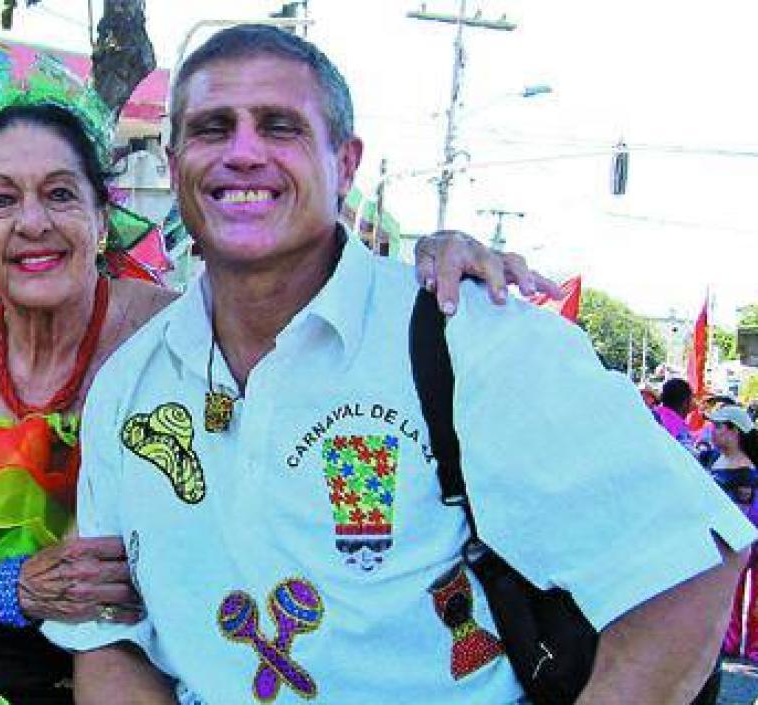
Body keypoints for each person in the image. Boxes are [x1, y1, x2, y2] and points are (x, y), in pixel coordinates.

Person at [0, 58, 538, 705]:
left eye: (61, 194)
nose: (32, 223)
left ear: (105, 212)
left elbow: (309, 303)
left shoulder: (180, 342)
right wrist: (15, 588)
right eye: (0, 200)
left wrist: (442, 257)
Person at [45, 25, 753, 705]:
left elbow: (689, 564)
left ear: (346, 163)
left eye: (280, 126)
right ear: (173, 165)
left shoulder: (469, 335)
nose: (243, 153)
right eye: (211, 128)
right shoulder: (130, 386)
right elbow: (109, 639)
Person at [707, 404, 758, 661]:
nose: (712, 431)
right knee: (730, 592)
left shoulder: (745, 470)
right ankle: (730, 639)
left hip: (743, 538)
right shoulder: (716, 460)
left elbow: (743, 511)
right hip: (727, 538)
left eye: (718, 426)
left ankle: (753, 645)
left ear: (734, 431)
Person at [656, 377, 697, 448]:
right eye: (692, 397)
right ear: (685, 402)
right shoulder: (677, 428)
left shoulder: (654, 415)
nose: (694, 401)